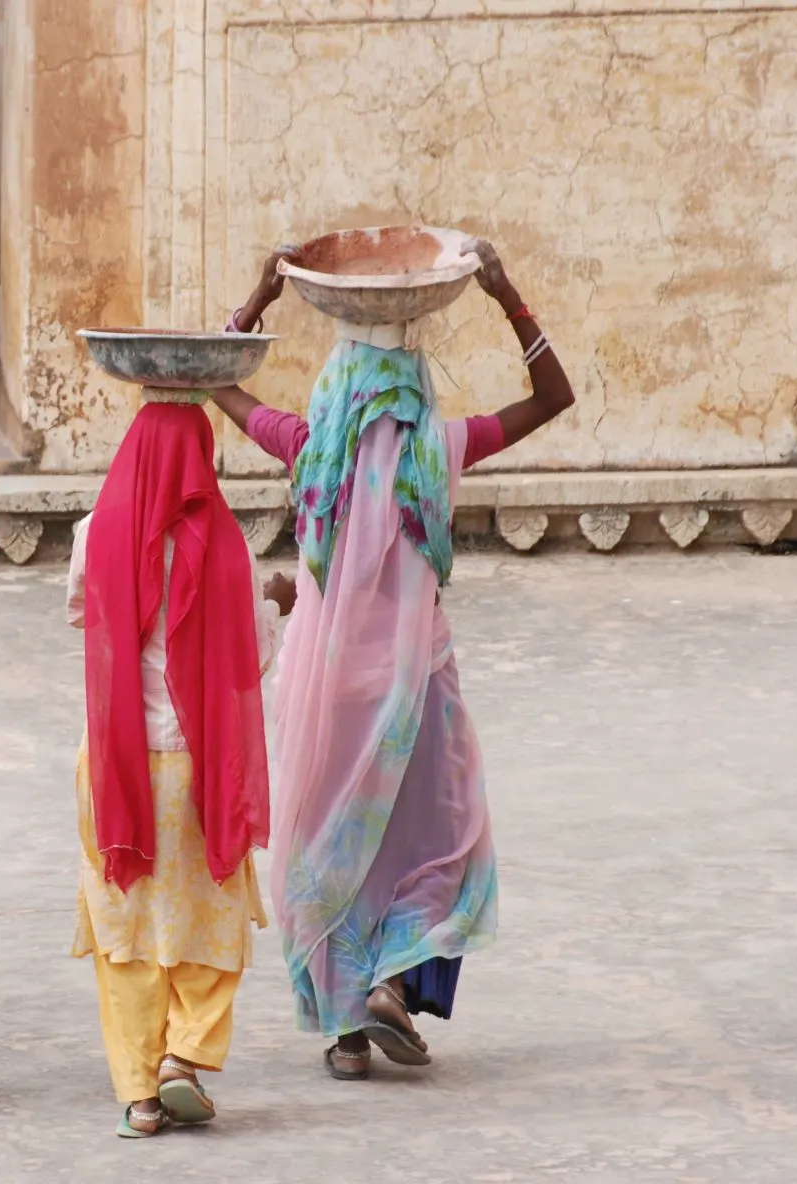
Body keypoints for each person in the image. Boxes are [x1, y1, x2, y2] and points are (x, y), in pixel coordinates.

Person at [210, 238, 574, 1079]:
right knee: (434, 837)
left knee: (332, 839)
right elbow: (553, 396)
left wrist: (259, 294)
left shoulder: (305, 449)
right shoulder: (439, 451)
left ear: (332, 394)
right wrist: (505, 293)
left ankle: (344, 1031)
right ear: (414, 395)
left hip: (326, 687)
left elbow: (207, 378)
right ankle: (393, 989)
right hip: (416, 687)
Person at [65, 396, 291, 1138]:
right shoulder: (226, 544)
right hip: (199, 765)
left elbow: (82, 615)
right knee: (207, 913)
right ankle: (184, 1059)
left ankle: (137, 1092)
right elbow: (251, 662)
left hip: (116, 765)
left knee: (125, 924)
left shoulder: (95, 533)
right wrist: (270, 604)